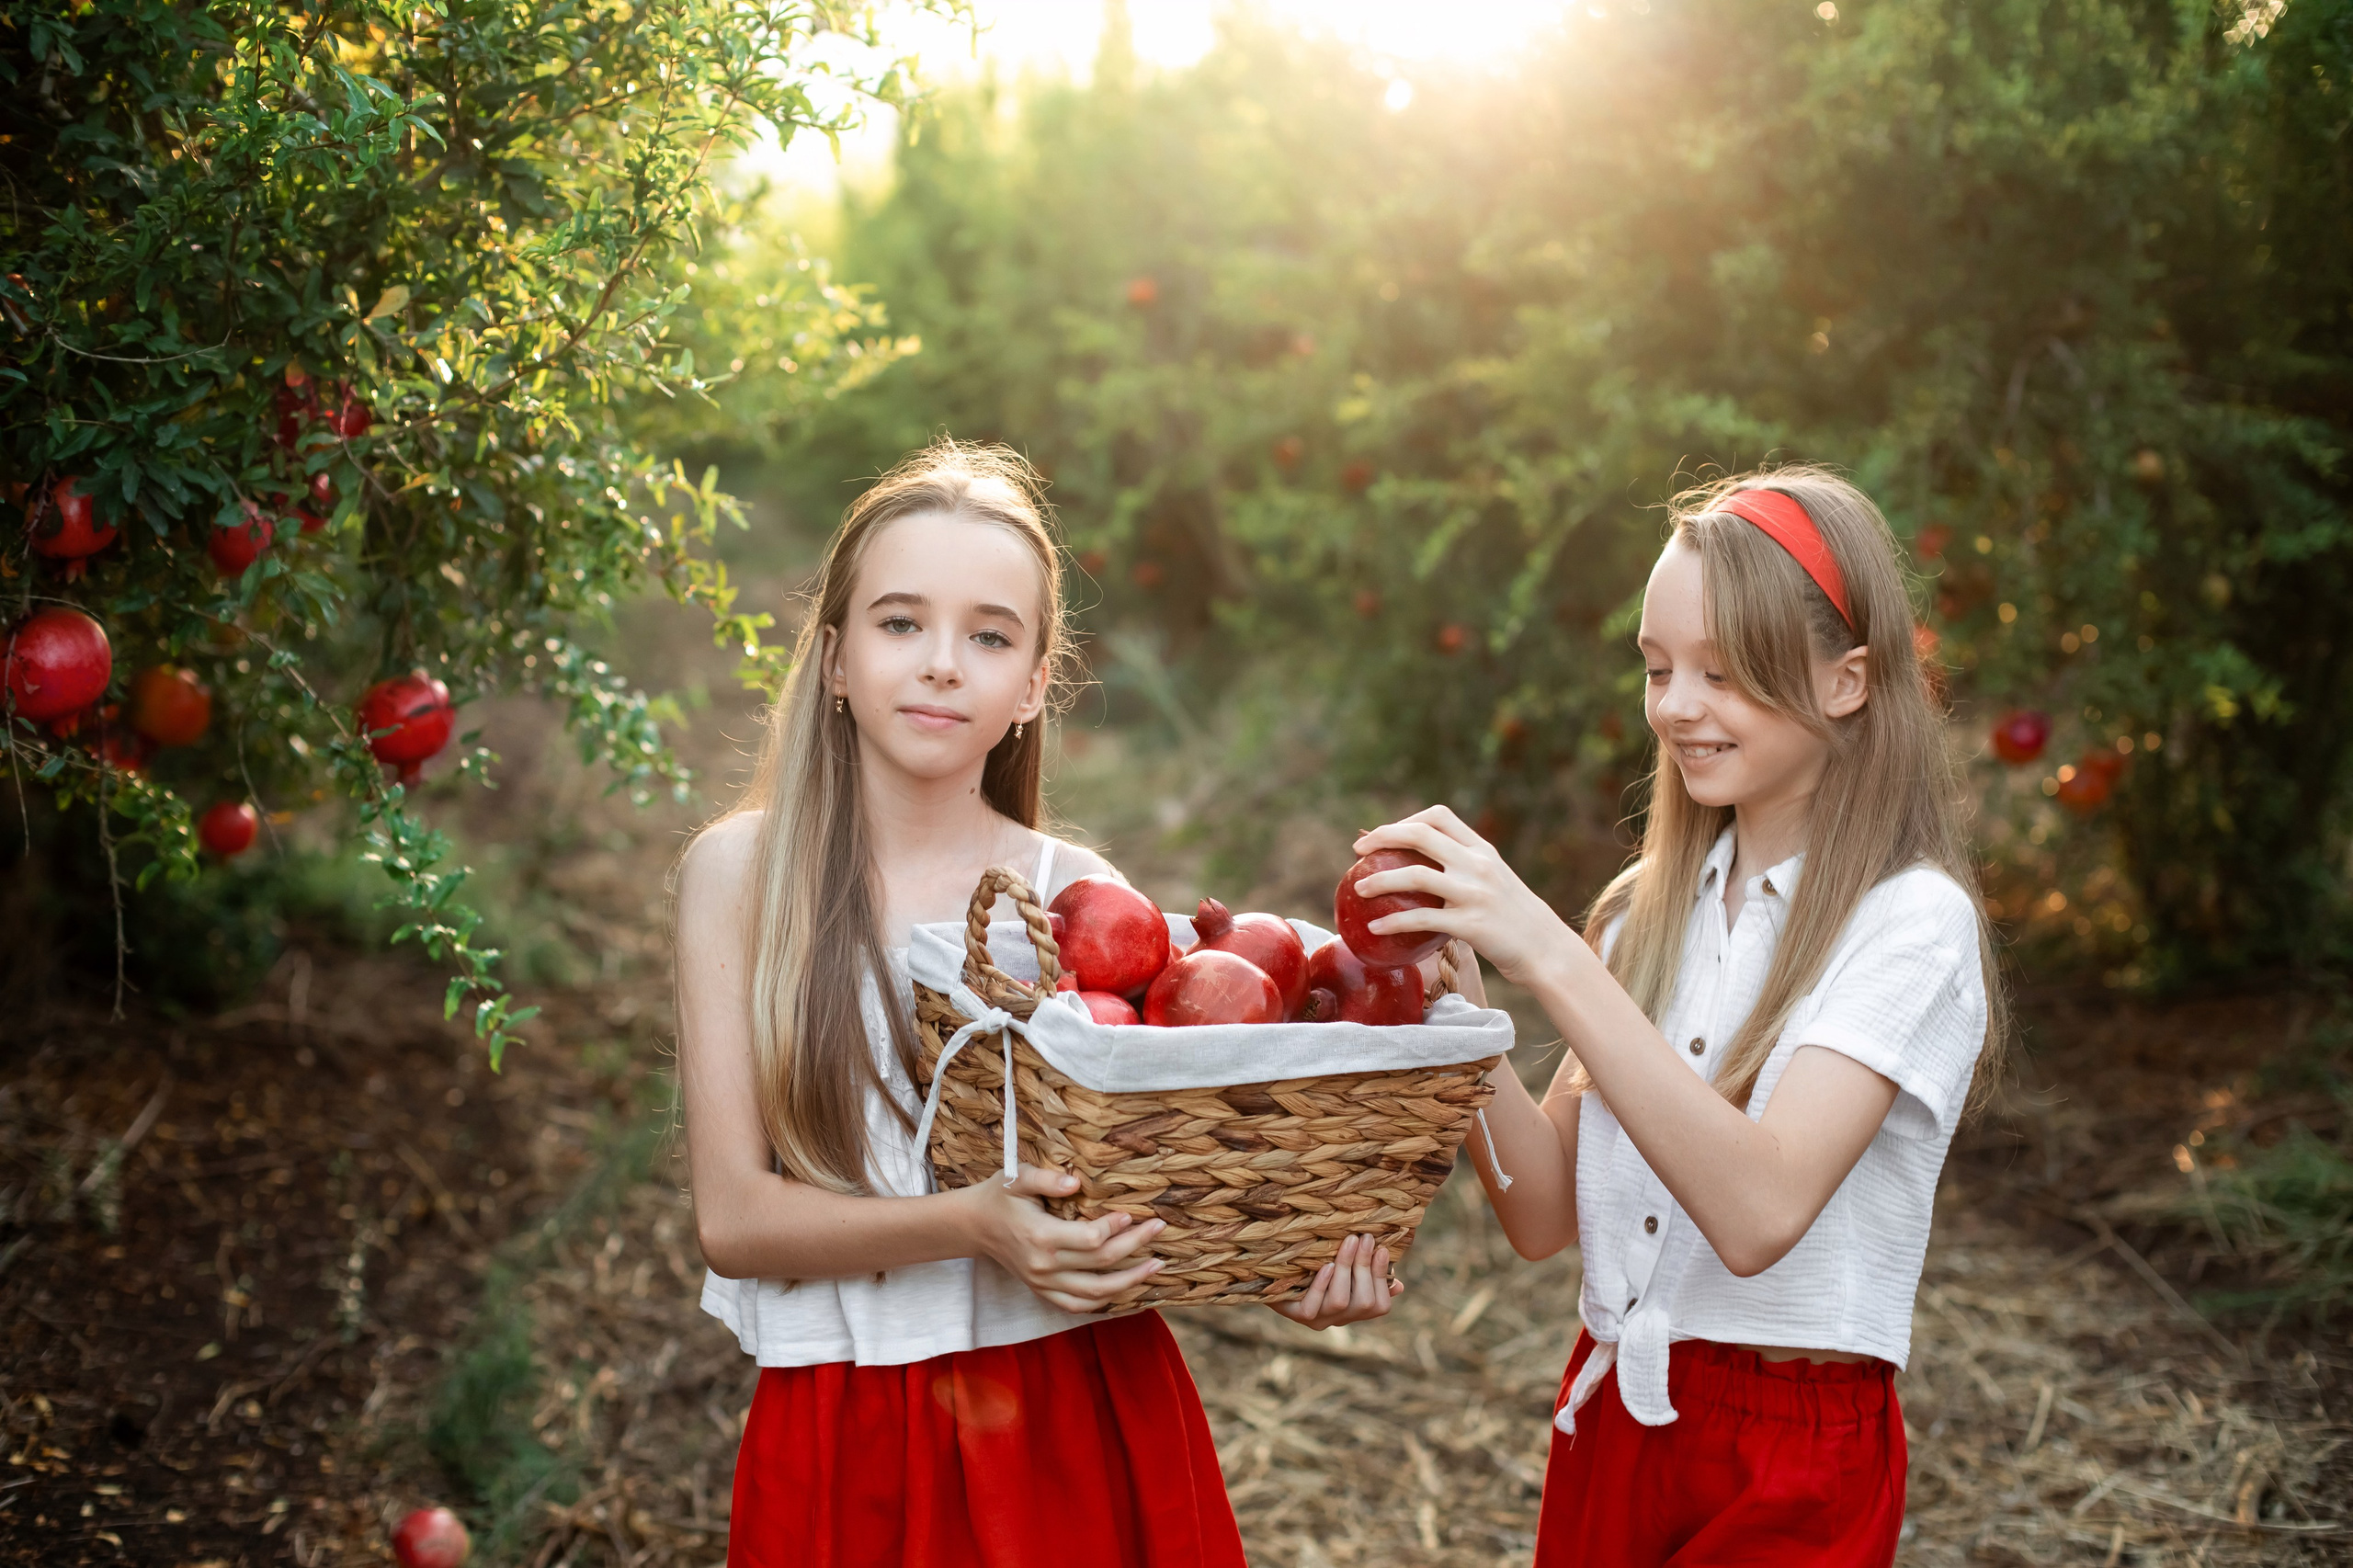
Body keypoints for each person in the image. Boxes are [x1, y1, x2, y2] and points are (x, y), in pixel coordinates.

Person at [673, 440, 1390, 1568]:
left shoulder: (1070, 903)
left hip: (1075, 1405)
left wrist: (1276, 1264)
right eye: (901, 622)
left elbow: (1144, 1179)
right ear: (835, 659)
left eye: (990, 634)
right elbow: (736, 1220)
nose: (944, 663)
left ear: (1032, 685)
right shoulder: (740, 875)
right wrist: (968, 1224)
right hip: (845, 1420)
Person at [1353, 466, 2006, 1566]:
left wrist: (1555, 960)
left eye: (1722, 672)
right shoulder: (1645, 914)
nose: (1675, 706)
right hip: (1616, 1415)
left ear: (1846, 680)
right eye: (1658, 668)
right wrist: (1455, 1006)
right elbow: (1542, 1213)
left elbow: (1758, 1212)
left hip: (1790, 1450)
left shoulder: (1908, 924)